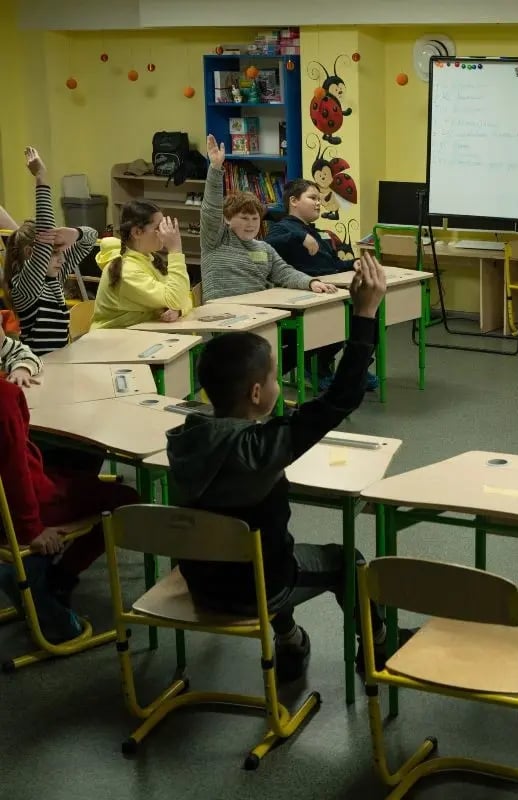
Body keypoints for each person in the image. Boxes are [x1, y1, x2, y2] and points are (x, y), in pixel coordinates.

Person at [165, 251, 401, 682]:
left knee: (265, 551)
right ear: (257, 393)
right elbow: (339, 399)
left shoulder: (185, 438)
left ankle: (290, 641)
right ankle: (380, 644)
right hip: (254, 588)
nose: (279, 384)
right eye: (275, 377)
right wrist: (365, 312)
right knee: (348, 561)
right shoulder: (261, 448)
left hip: (200, 579)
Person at [0, 379, 140, 642]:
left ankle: (32, 571)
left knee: (77, 467)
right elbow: (13, 472)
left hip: (19, 498)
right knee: (126, 501)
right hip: (22, 509)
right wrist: (31, 530)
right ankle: (56, 579)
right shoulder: (4, 397)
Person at [265, 179, 375, 391]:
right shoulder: (281, 229)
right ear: (294, 201)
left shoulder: (319, 232)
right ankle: (317, 366)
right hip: (307, 295)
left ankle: (355, 366)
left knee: (372, 313)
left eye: (319, 199)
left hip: (331, 288)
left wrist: (353, 263)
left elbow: (333, 265)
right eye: (312, 198)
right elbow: (267, 245)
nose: (318, 203)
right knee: (346, 318)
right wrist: (299, 235)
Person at [199, 135, 337, 303]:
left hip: (260, 314)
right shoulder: (215, 240)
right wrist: (215, 168)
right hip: (224, 317)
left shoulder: (264, 249)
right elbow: (211, 209)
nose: (250, 224)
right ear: (227, 219)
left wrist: (311, 282)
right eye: (244, 218)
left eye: (254, 218)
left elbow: (285, 273)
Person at [2, 146, 98, 354]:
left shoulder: (54, 277)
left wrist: (74, 233)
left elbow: (91, 237)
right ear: (30, 254)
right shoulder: (26, 287)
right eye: (54, 253)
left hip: (60, 366)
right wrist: (41, 176)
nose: (62, 260)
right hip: (39, 368)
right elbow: (44, 239)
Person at [90, 201, 193, 329]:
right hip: (112, 342)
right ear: (137, 232)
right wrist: (175, 250)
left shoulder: (150, 258)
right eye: (157, 228)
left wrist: (178, 310)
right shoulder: (127, 271)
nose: (163, 233)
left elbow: (184, 295)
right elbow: (177, 298)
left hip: (139, 336)